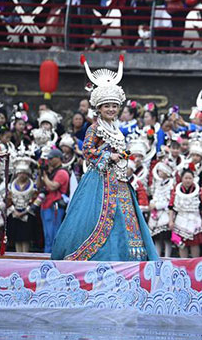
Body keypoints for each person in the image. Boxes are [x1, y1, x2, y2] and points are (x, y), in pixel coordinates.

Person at [51, 55, 158, 261]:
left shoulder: (117, 129)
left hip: (120, 181)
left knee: (124, 218)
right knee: (98, 219)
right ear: (98, 108)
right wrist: (109, 155)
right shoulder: (95, 128)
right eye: (107, 106)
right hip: (99, 181)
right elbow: (88, 151)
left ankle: (127, 257)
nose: (111, 109)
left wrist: (124, 160)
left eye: (114, 106)